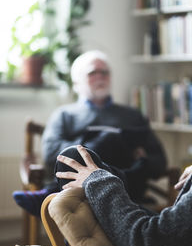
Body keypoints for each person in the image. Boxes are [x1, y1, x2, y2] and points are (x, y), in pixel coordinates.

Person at [13, 50, 166, 216]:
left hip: (127, 189)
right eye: (92, 73)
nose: (100, 77)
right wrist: (90, 146)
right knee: (103, 141)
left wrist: (142, 158)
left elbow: (159, 161)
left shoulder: (132, 115)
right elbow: (51, 155)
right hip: (78, 191)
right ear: (77, 82)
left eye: (105, 72)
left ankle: (49, 193)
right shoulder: (64, 115)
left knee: (114, 140)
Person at [56, 144, 192, 246]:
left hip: (150, 244)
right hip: (174, 237)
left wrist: (96, 180)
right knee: (76, 157)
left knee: (75, 158)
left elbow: (149, 245)